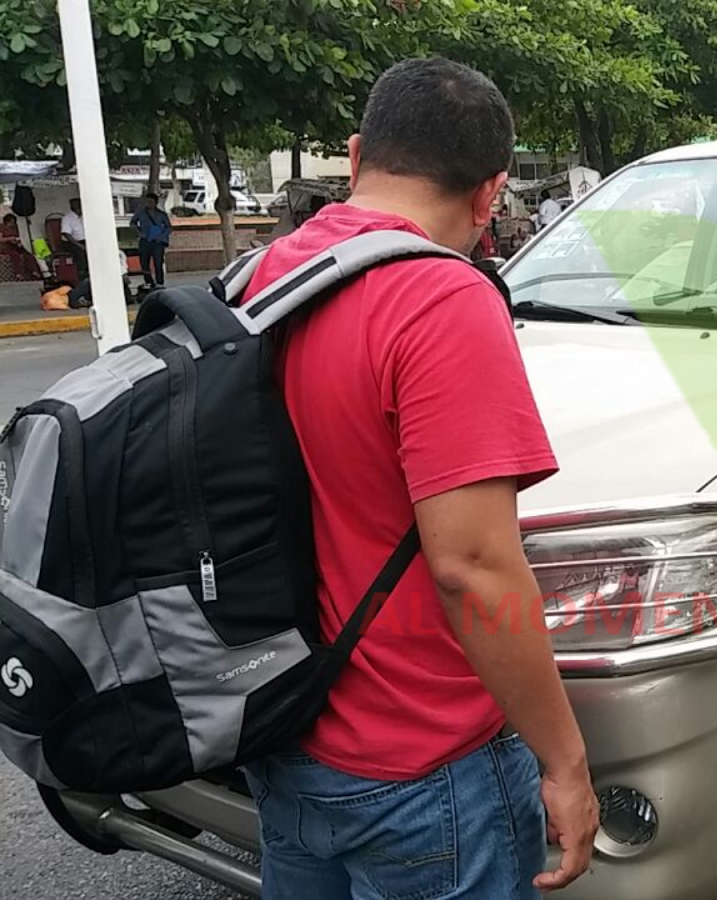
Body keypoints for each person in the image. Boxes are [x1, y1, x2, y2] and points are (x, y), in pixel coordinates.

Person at [237, 57, 597, 899]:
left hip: (287, 734)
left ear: (357, 154)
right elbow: (472, 566)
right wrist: (565, 761)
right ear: (490, 193)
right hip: (422, 768)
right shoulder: (440, 299)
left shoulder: (267, 273)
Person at [130, 191, 172, 286]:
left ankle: (159, 283)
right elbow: (132, 223)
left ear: (155, 203)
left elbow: (169, 228)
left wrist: (161, 236)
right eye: (147, 201)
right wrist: (139, 232)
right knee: (144, 263)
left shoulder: (161, 214)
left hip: (158, 243)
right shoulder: (141, 212)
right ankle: (149, 282)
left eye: (151, 202)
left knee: (158, 263)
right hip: (145, 241)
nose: (149, 204)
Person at [60, 197, 87, 281]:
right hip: (71, 242)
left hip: (84, 240)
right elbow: (66, 234)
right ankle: (82, 275)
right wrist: (79, 245)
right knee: (80, 252)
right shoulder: (67, 218)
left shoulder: (84, 216)